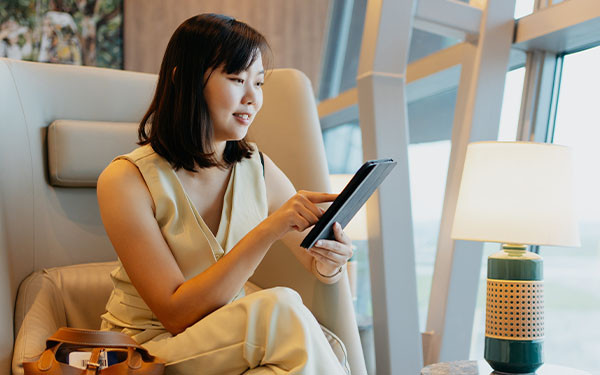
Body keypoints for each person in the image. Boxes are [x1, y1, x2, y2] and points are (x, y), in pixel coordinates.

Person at [97, 14, 353, 375]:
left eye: (259, 83)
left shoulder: (256, 167)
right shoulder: (125, 179)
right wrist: (268, 229)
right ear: (184, 81)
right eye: (236, 79)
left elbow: (314, 261)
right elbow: (175, 314)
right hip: (146, 352)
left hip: (229, 347)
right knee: (280, 307)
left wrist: (332, 261)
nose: (252, 98)